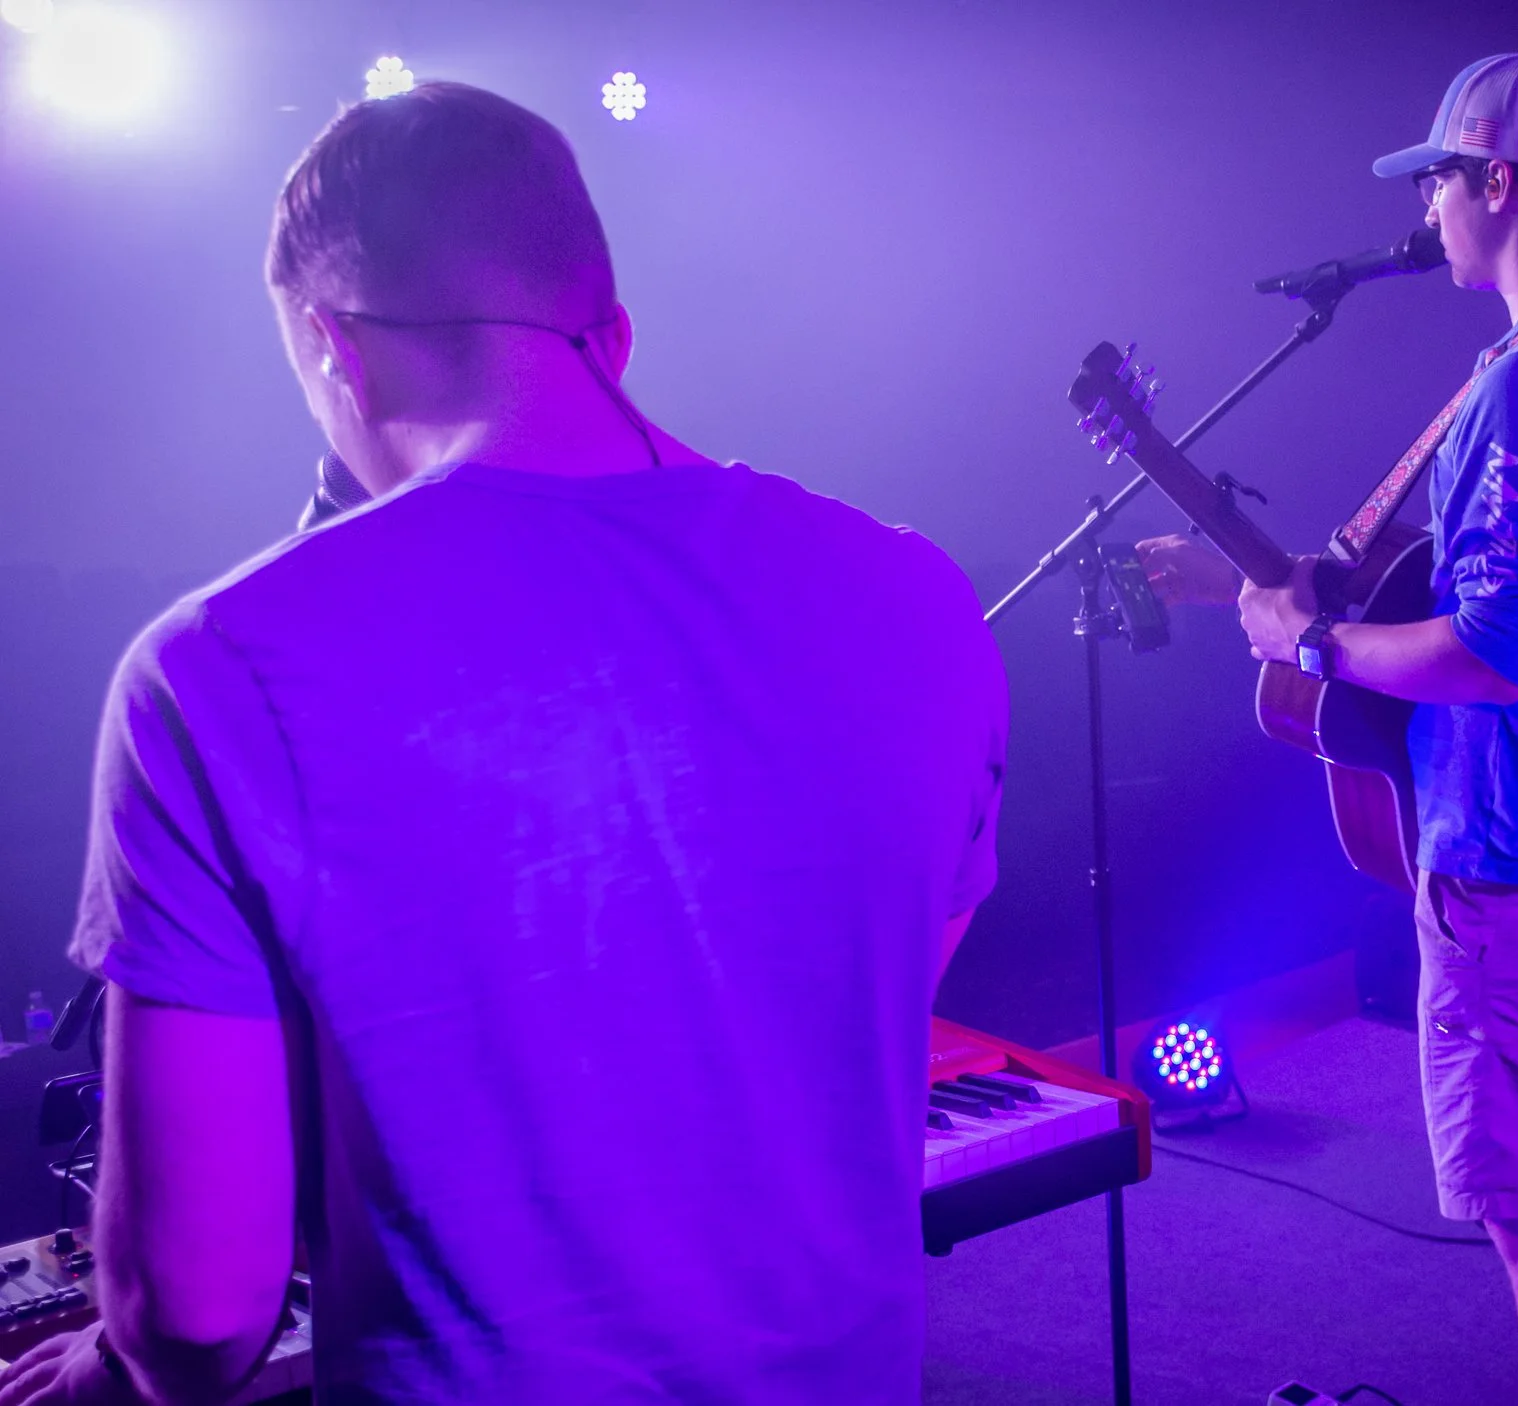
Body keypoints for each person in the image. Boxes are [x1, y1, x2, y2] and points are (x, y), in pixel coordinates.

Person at [0, 83, 1005, 1404]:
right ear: (616, 334)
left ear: (330, 350)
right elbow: (856, 1008)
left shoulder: (213, 669)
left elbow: (195, 1317)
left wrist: (94, 1372)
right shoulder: (920, 594)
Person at [1149, 51, 1518, 1406]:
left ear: (1496, 183)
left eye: (1443, 180)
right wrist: (1259, 593)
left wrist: (1314, 642)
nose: (1434, 210)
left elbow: (1496, 652)